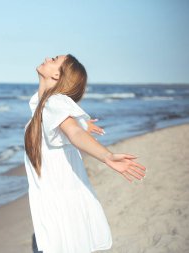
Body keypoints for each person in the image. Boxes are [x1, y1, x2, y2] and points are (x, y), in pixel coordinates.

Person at [23, 54, 147, 253]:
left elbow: (74, 132)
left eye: (54, 59)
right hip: (57, 197)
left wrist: (106, 156)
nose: (47, 58)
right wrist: (80, 121)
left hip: (60, 200)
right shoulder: (45, 103)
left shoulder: (54, 102)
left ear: (57, 74)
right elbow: (70, 126)